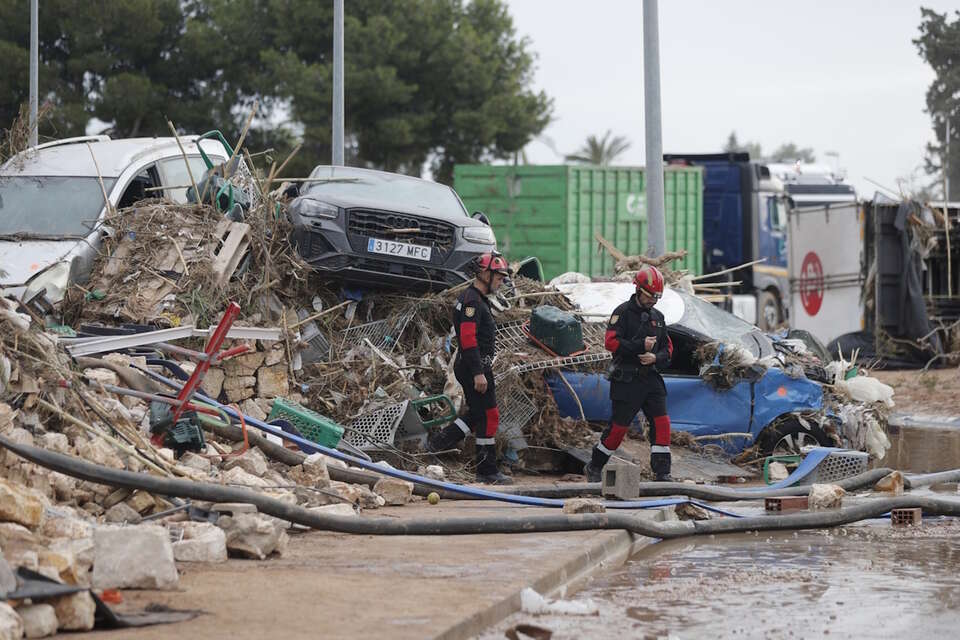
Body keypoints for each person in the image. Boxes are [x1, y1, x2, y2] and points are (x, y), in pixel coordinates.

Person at [427, 252, 513, 485]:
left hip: (474, 365)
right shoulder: (472, 301)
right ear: (484, 274)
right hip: (474, 366)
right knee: (490, 415)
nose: (501, 281)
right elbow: (467, 339)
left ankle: (438, 443)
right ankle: (486, 470)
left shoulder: (475, 298)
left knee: (477, 413)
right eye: (498, 277)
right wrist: (478, 373)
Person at [584, 265, 674, 482]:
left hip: (651, 379)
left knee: (662, 424)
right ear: (639, 290)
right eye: (651, 296)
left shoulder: (658, 317)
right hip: (627, 380)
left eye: (657, 297)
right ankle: (595, 466)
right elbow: (611, 343)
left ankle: (662, 473)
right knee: (618, 429)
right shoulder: (622, 313)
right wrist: (639, 345)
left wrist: (655, 358)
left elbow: (668, 349)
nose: (654, 301)